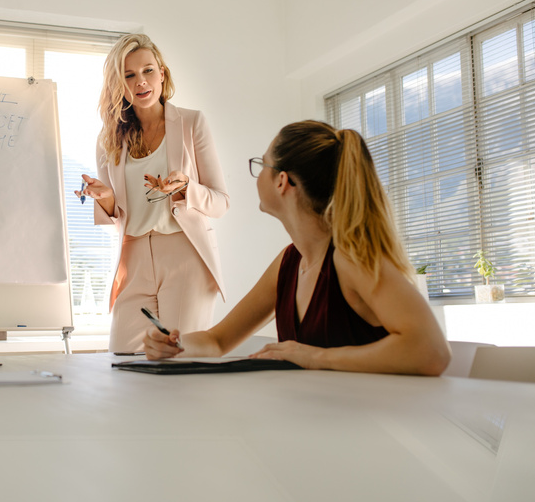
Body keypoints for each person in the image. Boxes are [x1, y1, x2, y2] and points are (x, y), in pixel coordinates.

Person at [144, 120, 451, 376]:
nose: (257, 174)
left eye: (261, 165)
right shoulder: (290, 262)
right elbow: (217, 340)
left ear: (282, 181)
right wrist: (176, 344)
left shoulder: (349, 259)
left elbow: (431, 350)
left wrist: (314, 358)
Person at [76, 34, 229, 353]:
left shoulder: (191, 123)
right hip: (133, 257)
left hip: (184, 254)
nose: (140, 82)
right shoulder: (109, 141)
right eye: (128, 75)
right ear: (119, 85)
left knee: (180, 357)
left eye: (147, 71)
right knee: (121, 358)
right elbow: (115, 217)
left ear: (162, 73)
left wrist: (186, 186)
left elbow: (220, 202)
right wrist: (105, 198)